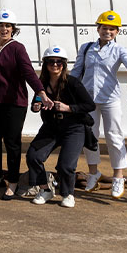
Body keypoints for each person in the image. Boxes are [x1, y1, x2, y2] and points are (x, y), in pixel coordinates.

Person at [0, 9, 52, 200]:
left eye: (7, 26)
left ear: (13, 29)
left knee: (12, 143)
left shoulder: (17, 48)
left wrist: (41, 93)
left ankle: (12, 182)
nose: (4, 29)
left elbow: (29, 73)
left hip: (13, 103)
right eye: (0, 25)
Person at [70, 10, 127, 199]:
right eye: (105, 27)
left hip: (110, 99)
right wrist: (65, 89)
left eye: (112, 29)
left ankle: (118, 177)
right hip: (88, 100)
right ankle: (93, 173)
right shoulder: (86, 48)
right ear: (98, 29)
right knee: (91, 137)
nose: (108, 31)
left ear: (117, 32)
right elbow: (76, 71)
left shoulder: (119, 50)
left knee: (114, 137)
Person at [26, 46, 96, 208]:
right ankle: (45, 189)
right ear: (45, 64)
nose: (55, 65)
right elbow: (35, 103)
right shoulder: (41, 84)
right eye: (51, 62)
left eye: (59, 62)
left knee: (66, 165)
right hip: (51, 127)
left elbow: (89, 105)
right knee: (33, 156)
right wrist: (36, 106)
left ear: (64, 64)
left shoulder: (73, 83)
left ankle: (68, 194)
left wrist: (68, 108)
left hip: (74, 128)